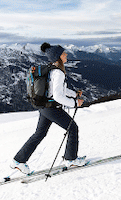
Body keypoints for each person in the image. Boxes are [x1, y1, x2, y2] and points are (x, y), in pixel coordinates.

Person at [12, 43, 87, 174]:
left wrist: (74, 95)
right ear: (58, 57)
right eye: (64, 54)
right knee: (72, 128)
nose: (66, 55)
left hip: (44, 107)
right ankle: (71, 159)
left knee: (39, 134)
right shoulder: (58, 73)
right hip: (52, 108)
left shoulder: (52, 70)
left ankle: (19, 161)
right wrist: (74, 103)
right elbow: (58, 96)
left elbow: (59, 90)